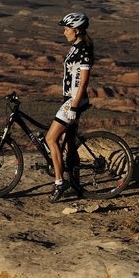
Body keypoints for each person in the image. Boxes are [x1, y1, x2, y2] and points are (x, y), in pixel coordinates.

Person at [46, 12, 93, 203]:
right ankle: (76, 184)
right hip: (71, 99)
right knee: (70, 142)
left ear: (77, 30)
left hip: (74, 100)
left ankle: (60, 183)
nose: (64, 33)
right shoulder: (76, 47)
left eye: (67, 30)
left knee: (51, 138)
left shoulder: (84, 51)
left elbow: (83, 83)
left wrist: (73, 107)